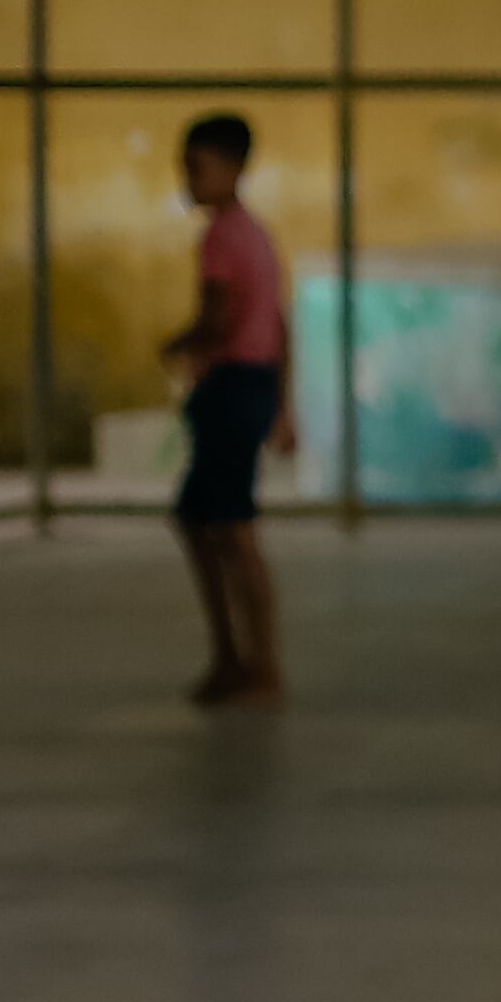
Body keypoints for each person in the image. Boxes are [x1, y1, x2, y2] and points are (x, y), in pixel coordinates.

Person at [159, 113, 296, 708]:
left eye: (197, 167)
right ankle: (231, 657)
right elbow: (279, 325)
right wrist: (283, 403)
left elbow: (219, 319)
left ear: (233, 169)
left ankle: (257, 666)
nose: (188, 179)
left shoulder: (221, 239)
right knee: (201, 519)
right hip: (252, 384)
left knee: (234, 530)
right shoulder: (258, 236)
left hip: (231, 387)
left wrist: (178, 346)